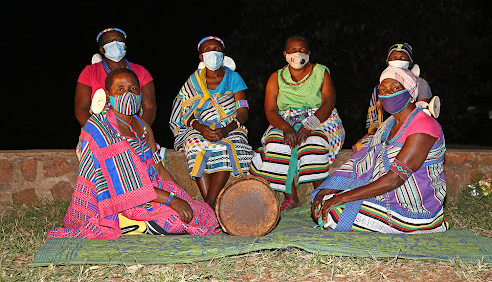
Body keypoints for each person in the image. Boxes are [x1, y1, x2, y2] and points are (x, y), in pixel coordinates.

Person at [48, 68, 219, 239]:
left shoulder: (143, 126)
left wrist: (180, 195)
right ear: (108, 95)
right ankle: (124, 222)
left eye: (133, 89)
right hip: (118, 198)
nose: (127, 94)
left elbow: (158, 169)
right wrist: (171, 200)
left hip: (151, 191)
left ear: (139, 93)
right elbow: (127, 184)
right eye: (120, 89)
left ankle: (136, 224)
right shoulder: (99, 128)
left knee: (202, 212)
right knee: (174, 220)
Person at [311, 66, 447, 233]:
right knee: (324, 201)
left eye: (395, 88)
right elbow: (361, 161)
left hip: (413, 209)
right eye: (383, 89)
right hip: (386, 196)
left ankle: (427, 227)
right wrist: (324, 191)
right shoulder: (388, 125)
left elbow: (394, 179)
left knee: (335, 213)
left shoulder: (423, 126)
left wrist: (342, 197)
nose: (388, 93)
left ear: (411, 93)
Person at [250, 36, 345, 211]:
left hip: (320, 117)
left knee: (314, 143)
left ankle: (322, 196)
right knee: (275, 143)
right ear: (285, 54)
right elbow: (270, 110)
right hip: (285, 120)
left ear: (308, 54)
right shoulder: (276, 77)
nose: (297, 54)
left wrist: (309, 125)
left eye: (302, 50)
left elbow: (328, 102)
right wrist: (286, 127)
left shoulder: (320, 72)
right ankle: (291, 198)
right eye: (293, 50)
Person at [169, 36, 252, 209]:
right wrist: (200, 128)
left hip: (230, 125)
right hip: (201, 126)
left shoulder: (234, 78)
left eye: (216, 50)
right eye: (207, 50)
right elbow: (186, 112)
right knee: (194, 145)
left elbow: (243, 112)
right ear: (201, 57)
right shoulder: (193, 81)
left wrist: (225, 130)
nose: (212, 53)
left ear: (223, 55)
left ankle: (209, 203)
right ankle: (212, 206)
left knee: (229, 145)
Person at [354, 43, 433, 152]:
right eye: (394, 58)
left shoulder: (420, 83)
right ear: (388, 62)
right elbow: (376, 110)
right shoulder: (381, 84)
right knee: (362, 146)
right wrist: (376, 129)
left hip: (411, 127)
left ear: (409, 62)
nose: (398, 60)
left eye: (403, 58)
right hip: (386, 128)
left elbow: (424, 110)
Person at [74, 28, 157, 127]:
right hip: (98, 130)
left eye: (119, 40)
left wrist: (138, 131)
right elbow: (81, 109)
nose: (115, 44)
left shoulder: (141, 72)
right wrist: (98, 133)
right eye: (109, 42)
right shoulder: (89, 72)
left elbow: (150, 108)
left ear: (125, 46)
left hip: (135, 130)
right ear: (101, 49)